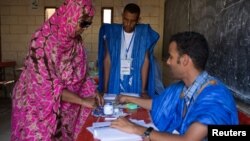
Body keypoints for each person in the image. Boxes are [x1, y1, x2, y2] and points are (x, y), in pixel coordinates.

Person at [111, 31, 239, 141]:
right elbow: (157, 104)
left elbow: (188, 140)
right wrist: (128, 98)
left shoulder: (215, 97)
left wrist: (136, 128)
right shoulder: (184, 87)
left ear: (185, 60)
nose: (167, 62)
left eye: (171, 57)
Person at [11, 0, 103, 140]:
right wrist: (83, 101)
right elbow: (47, 87)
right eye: (83, 23)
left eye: (88, 24)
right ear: (70, 15)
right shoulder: (42, 41)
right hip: (38, 108)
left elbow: (82, 75)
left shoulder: (76, 41)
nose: (84, 28)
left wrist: (94, 91)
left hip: (68, 106)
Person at [98, 3, 161, 98]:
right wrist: (105, 88)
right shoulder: (111, 33)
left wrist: (143, 90)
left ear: (138, 20)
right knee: (114, 108)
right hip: (115, 79)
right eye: (126, 19)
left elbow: (146, 61)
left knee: (133, 107)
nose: (128, 24)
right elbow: (107, 60)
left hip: (135, 80)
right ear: (122, 16)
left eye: (132, 21)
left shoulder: (144, 34)